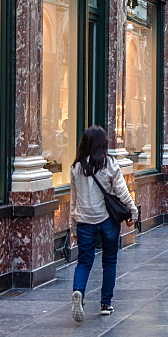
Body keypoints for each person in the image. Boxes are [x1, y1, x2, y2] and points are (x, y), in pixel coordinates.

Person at [69, 126, 138, 321]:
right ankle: (106, 303)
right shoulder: (110, 164)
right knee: (109, 261)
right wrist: (133, 211)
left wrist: (72, 226)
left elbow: (73, 200)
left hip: (84, 220)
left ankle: (79, 293)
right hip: (107, 220)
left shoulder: (76, 168)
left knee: (84, 262)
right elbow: (122, 192)